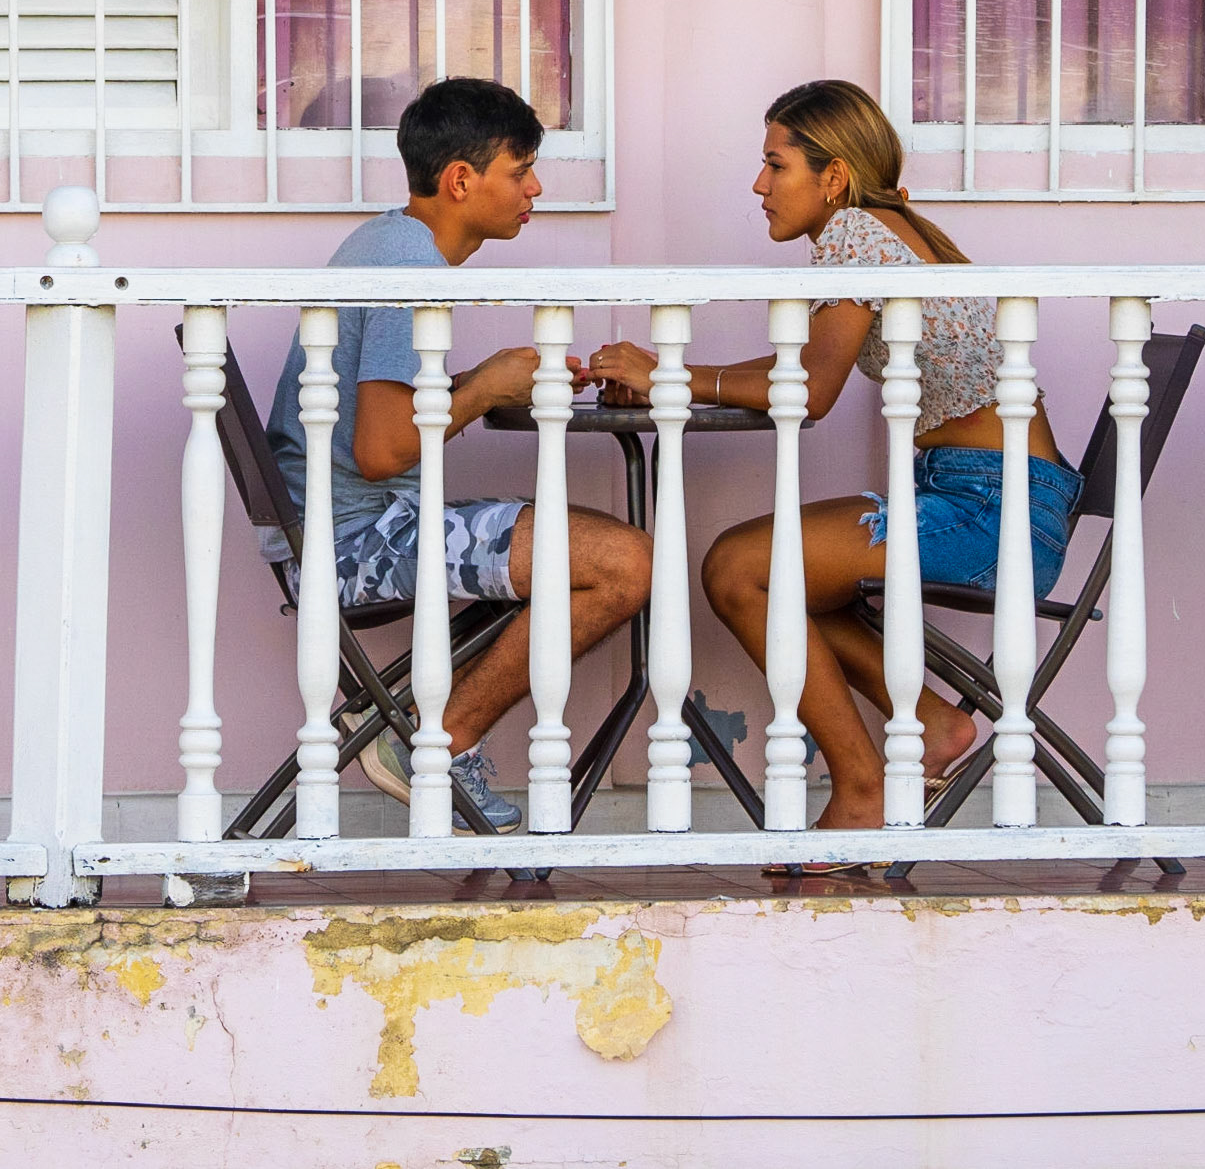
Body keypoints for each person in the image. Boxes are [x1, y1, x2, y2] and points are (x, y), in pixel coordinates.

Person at [590, 78, 1081, 847]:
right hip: (995, 498)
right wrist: (673, 375)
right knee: (777, 573)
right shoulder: (881, 228)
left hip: (991, 510)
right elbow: (805, 360)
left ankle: (860, 786)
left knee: (738, 568)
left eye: (774, 164)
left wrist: (671, 375)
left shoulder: (856, 234)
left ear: (833, 176)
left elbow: (810, 389)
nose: (758, 184)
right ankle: (931, 722)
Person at [263, 76, 652, 831]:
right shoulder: (405, 266)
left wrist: (488, 380)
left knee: (599, 547)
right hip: (349, 544)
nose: (534, 187)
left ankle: (416, 723)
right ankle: (435, 739)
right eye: (520, 169)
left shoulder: (390, 242)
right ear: (461, 179)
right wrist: (477, 392)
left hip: (346, 525)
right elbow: (380, 450)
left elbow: (386, 422)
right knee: (625, 562)